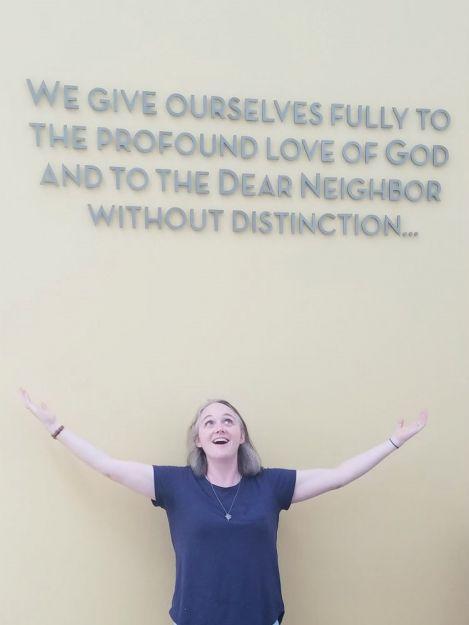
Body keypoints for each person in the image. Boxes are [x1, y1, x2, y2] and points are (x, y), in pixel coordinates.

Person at [19, 388, 428, 625]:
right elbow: (108, 467)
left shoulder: (271, 484)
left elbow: (338, 474)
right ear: (198, 439)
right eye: (209, 422)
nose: (219, 426)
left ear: (241, 435)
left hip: (261, 617)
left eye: (228, 420)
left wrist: (394, 442)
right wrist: (55, 426)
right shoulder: (176, 484)